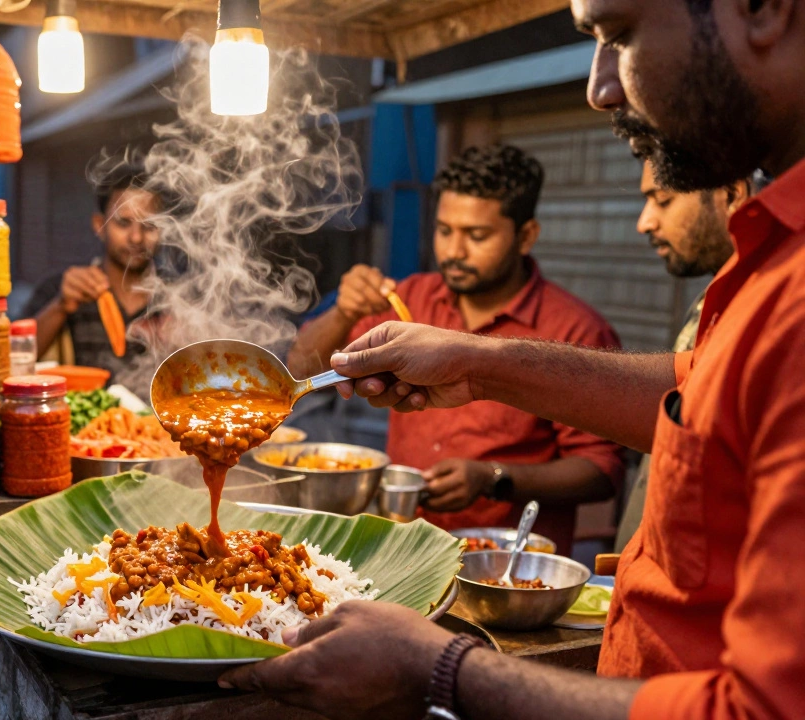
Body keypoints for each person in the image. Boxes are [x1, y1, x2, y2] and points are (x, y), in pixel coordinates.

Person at [221, 1, 805, 718]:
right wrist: (478, 364)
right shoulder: (774, 252)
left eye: (618, 35)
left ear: (765, 10)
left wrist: (440, 671)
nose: (598, 87)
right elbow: (695, 390)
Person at [288, 145, 623, 554]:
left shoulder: (574, 329)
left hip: (506, 569)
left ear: (526, 236)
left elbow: (601, 471)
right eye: (445, 230)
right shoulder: (409, 300)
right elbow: (302, 366)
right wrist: (343, 311)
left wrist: (493, 479)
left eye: (476, 236)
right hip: (403, 548)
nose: (454, 252)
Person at [615, 160, 752, 548]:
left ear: (732, 195)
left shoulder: (766, 308)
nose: (645, 222)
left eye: (663, 201)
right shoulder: (716, 296)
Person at [21, 170, 162, 388]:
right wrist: (60, 306)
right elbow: (15, 361)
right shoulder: (63, 289)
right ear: (99, 225)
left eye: (149, 226)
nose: (136, 237)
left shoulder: (178, 299)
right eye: (123, 223)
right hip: (86, 418)